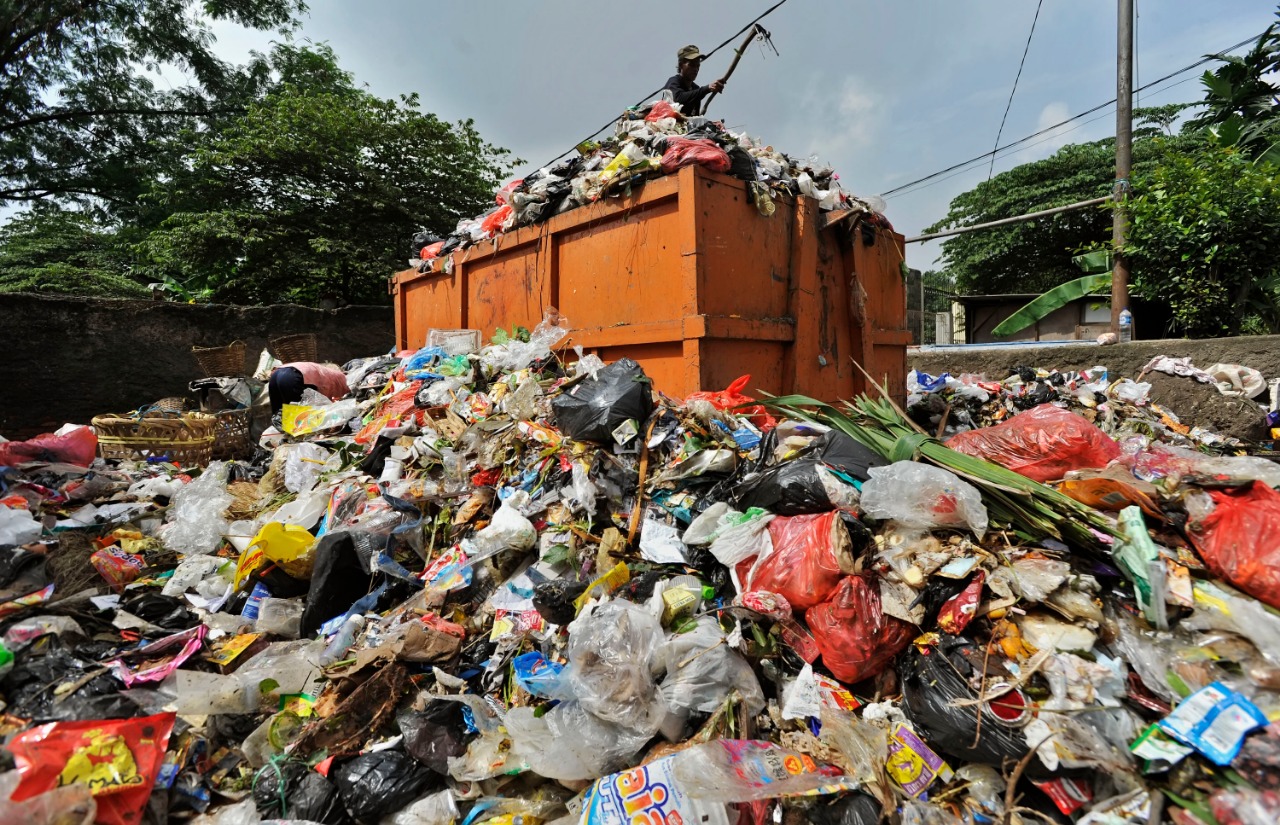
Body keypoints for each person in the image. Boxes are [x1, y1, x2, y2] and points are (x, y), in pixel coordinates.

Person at [662, 44, 726, 116]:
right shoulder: (673, 82)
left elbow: (694, 117)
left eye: (698, 65)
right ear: (681, 65)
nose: (695, 69)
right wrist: (707, 88)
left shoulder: (695, 89)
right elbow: (678, 99)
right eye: (692, 65)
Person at [268, 361, 349, 414]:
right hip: (292, 375)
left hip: (276, 374)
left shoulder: (324, 371)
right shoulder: (342, 379)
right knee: (298, 414)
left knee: (278, 414)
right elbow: (323, 399)